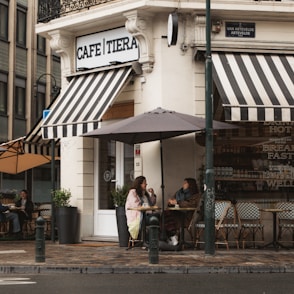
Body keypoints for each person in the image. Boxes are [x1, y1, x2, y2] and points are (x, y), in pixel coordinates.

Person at [164, 178, 202, 246]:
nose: (183, 184)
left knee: (168, 215)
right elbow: (173, 200)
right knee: (165, 213)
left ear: (190, 185)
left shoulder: (195, 195)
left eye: (185, 183)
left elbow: (191, 204)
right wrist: (170, 202)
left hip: (186, 216)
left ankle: (173, 236)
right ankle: (171, 235)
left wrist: (178, 202)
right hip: (177, 213)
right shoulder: (179, 192)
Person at [125, 176, 156, 240]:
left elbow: (152, 204)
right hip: (138, 217)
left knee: (160, 216)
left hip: (147, 214)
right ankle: (149, 240)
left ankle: (155, 240)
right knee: (154, 219)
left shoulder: (145, 194)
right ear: (139, 184)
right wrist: (146, 207)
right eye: (144, 182)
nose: (146, 184)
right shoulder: (133, 192)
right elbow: (136, 205)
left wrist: (152, 194)